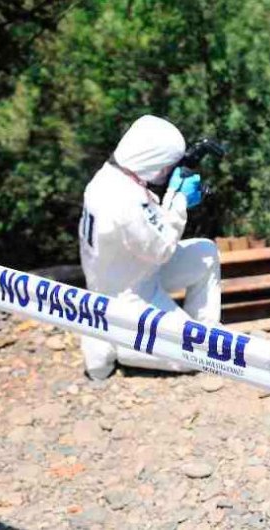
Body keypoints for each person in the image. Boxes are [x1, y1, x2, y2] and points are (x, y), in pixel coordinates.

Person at [78, 115, 222, 379]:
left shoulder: (112, 176)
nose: (166, 171)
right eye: (166, 166)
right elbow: (162, 248)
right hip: (127, 298)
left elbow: (148, 223)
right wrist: (178, 199)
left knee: (206, 252)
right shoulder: (124, 201)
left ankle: (206, 331)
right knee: (199, 355)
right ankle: (123, 346)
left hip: (137, 272)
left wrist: (182, 168)